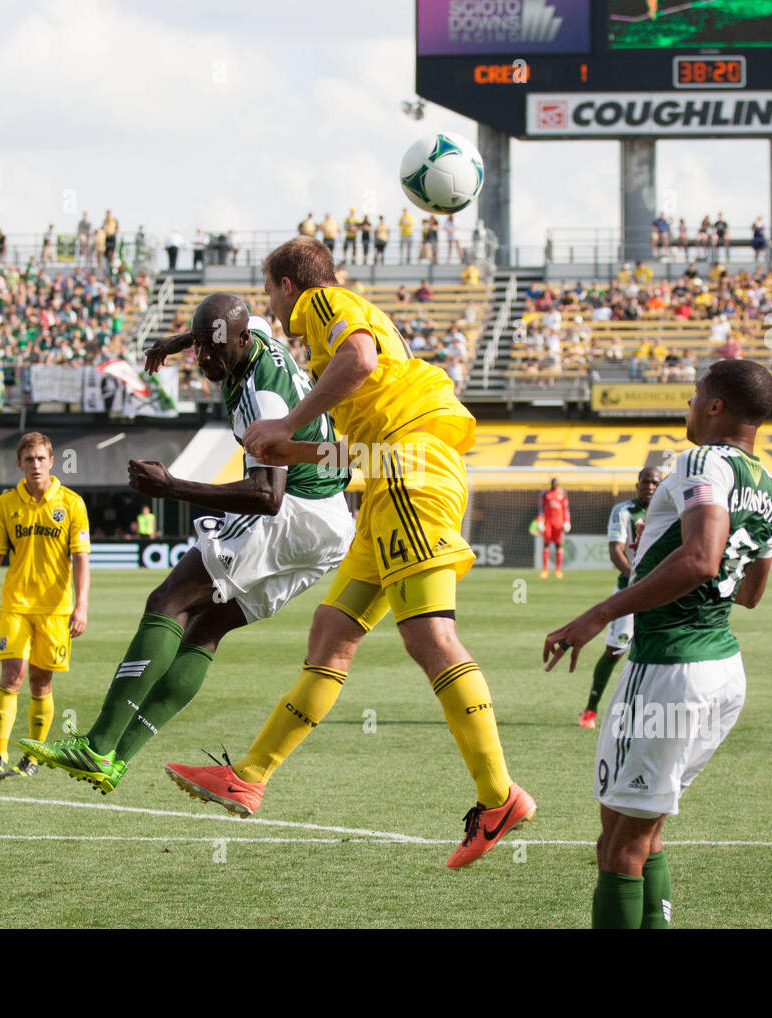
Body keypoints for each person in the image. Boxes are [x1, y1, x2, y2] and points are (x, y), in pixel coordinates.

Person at [164, 237, 535, 868]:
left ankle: (498, 797)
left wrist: (285, 424)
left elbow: (359, 361)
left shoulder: (322, 303)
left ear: (286, 286)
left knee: (430, 639)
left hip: (411, 476)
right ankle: (250, 775)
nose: (273, 314)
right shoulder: (349, 338)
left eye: (269, 293)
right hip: (391, 472)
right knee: (332, 630)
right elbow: (367, 449)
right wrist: (296, 450)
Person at [20, 297, 354, 795]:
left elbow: (266, 495)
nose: (204, 361)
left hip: (292, 511)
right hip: (331, 523)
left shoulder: (264, 396)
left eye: (213, 350)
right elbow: (230, 324)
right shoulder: (254, 333)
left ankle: (97, 744)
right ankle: (114, 759)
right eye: (200, 347)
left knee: (168, 601)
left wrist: (172, 486)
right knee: (205, 629)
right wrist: (176, 344)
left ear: (241, 342)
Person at [543, 359, 772, 929]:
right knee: (644, 833)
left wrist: (598, 614)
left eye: (695, 395)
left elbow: (701, 558)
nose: (688, 406)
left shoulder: (702, 460)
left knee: (619, 846)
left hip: (669, 669)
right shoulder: (769, 486)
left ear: (716, 406)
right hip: (721, 668)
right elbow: (750, 594)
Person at [0, 433, 91, 782]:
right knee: (11, 676)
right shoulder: (6, 504)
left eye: (41, 459)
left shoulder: (71, 503)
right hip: (15, 605)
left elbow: (81, 559)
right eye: (29, 459)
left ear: (51, 462)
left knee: (40, 683)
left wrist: (81, 606)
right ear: (18, 464)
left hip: (55, 610)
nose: (35, 465)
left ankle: (33, 755)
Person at [580, 467, 662, 728]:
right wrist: (636, 579)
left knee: (658, 655)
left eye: (655, 482)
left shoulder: (670, 511)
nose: (650, 486)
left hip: (663, 593)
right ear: (637, 484)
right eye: (645, 481)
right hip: (630, 592)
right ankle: (590, 710)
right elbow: (616, 550)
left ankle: (646, 716)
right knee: (615, 651)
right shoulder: (624, 511)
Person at [539, 477, 570, 579]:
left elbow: (566, 509)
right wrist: (540, 521)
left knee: (558, 545)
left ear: (558, 485)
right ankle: (545, 570)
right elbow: (541, 508)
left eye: (555, 484)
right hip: (548, 522)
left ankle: (558, 570)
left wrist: (567, 522)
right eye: (552, 484)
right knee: (546, 544)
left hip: (558, 523)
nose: (554, 485)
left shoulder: (562, 494)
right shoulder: (545, 494)